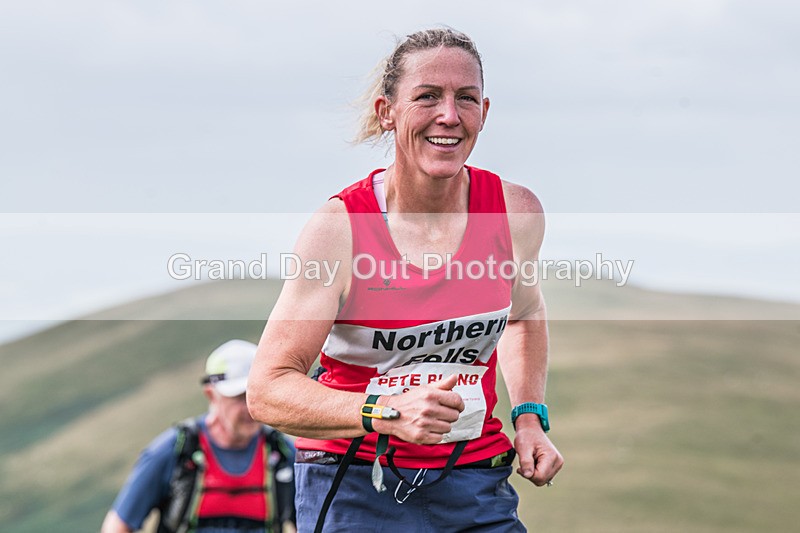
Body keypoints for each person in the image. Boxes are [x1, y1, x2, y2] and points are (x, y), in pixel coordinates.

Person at [247, 28, 563, 532]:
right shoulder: (339, 229)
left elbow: (524, 315)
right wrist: (386, 410)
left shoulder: (514, 212)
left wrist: (529, 417)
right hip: (354, 485)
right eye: (427, 97)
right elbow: (268, 390)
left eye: (465, 99)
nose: (449, 116)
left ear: (485, 110)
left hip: (475, 482)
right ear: (386, 111)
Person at [101, 340, 297, 533]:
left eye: (255, 396)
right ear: (211, 395)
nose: (250, 408)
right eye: (239, 397)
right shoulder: (174, 450)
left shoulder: (282, 454)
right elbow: (118, 526)